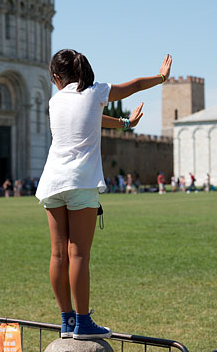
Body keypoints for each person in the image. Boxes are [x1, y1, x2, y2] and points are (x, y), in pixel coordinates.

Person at [35, 49, 172, 340]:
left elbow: (92, 117)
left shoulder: (54, 100)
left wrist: (124, 124)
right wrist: (161, 77)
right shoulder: (96, 91)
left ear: (57, 78)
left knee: (58, 253)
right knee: (79, 253)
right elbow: (133, 85)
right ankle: (83, 323)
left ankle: (67, 320)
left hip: (51, 182)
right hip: (81, 181)